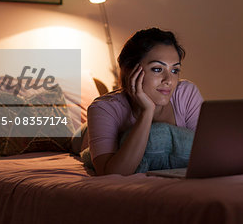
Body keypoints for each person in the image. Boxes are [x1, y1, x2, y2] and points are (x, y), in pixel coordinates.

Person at [87, 27, 203, 175]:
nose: (169, 80)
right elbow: (110, 174)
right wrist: (147, 111)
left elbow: (205, 154)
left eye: (174, 70)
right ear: (129, 70)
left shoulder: (186, 93)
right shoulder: (103, 108)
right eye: (157, 69)